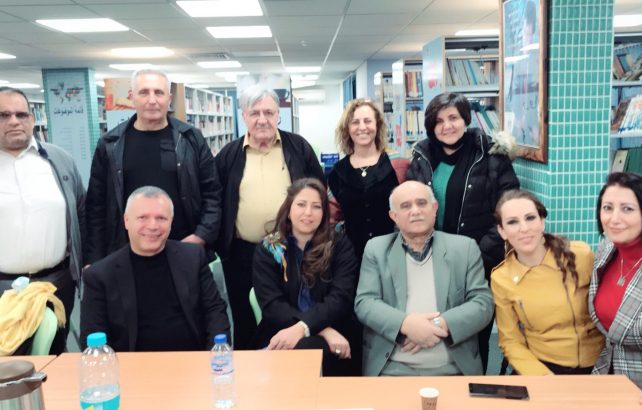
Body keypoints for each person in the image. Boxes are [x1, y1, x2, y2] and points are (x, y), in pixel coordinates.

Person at [406, 92, 519, 373]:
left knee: (471, 336)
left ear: (465, 119)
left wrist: (476, 256)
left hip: (479, 262)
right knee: (433, 331)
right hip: (430, 262)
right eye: (439, 121)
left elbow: (508, 211)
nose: (447, 126)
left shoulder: (491, 156)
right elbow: (409, 207)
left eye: (453, 118)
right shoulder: (421, 157)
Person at [215, 85, 324, 349]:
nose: (262, 119)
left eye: (268, 112)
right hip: (242, 253)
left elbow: (318, 189)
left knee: (288, 312)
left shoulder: (298, 147)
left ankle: (289, 365)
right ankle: (249, 366)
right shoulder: (229, 155)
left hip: (291, 250)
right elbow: (216, 199)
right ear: (244, 116)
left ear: (278, 115)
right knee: (245, 318)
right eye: (254, 113)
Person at [354, 181, 493, 376]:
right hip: (391, 369)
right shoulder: (376, 249)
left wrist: (436, 326)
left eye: (421, 203)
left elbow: (483, 303)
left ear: (434, 208)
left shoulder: (464, 248)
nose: (415, 211)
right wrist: (407, 325)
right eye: (406, 206)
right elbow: (365, 303)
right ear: (394, 216)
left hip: (453, 369)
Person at [85, 68, 221, 265]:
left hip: (184, 249)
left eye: (159, 92)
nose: (152, 100)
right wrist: (94, 260)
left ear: (169, 98)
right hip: (126, 254)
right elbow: (96, 206)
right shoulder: (109, 144)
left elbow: (212, 193)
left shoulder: (191, 139)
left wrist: (200, 236)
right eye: (144, 92)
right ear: (131, 97)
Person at [80, 186, 230, 352]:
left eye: (161, 218)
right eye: (143, 218)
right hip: (130, 365)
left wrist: (214, 356)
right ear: (126, 221)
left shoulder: (193, 258)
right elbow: (93, 338)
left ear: (171, 222)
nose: (152, 226)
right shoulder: (99, 276)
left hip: (191, 360)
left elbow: (215, 312)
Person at [0, 86, 85, 354]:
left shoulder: (59, 161)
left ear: (32, 119)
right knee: (9, 362)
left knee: (55, 355)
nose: (14, 121)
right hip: (3, 289)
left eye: (21, 114)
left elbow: (81, 212)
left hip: (57, 283)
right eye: (3, 115)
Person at [252, 178, 359, 375]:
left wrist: (306, 328)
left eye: (316, 206)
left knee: (310, 347)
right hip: (282, 327)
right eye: (301, 204)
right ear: (289, 209)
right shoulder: (268, 248)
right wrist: (316, 329)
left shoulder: (339, 244)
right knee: (306, 346)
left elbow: (340, 298)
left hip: (335, 325)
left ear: (324, 213)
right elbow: (272, 304)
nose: (308, 212)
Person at [491, 189, 604, 375]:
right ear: (502, 231)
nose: (524, 228)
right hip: (541, 367)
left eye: (530, 218)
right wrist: (542, 376)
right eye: (512, 222)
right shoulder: (501, 278)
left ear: (542, 222)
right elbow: (510, 340)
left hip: (598, 366)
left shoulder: (581, 256)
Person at [328, 98, 408, 260]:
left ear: (377, 125)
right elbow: (332, 219)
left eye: (367, 121)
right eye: (355, 122)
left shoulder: (398, 165)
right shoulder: (338, 172)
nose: (362, 127)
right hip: (352, 257)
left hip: (395, 254)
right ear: (347, 128)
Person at [590, 172, 642, 388]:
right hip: (607, 379)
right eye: (607, 208)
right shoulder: (606, 250)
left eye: (627, 209)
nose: (614, 219)